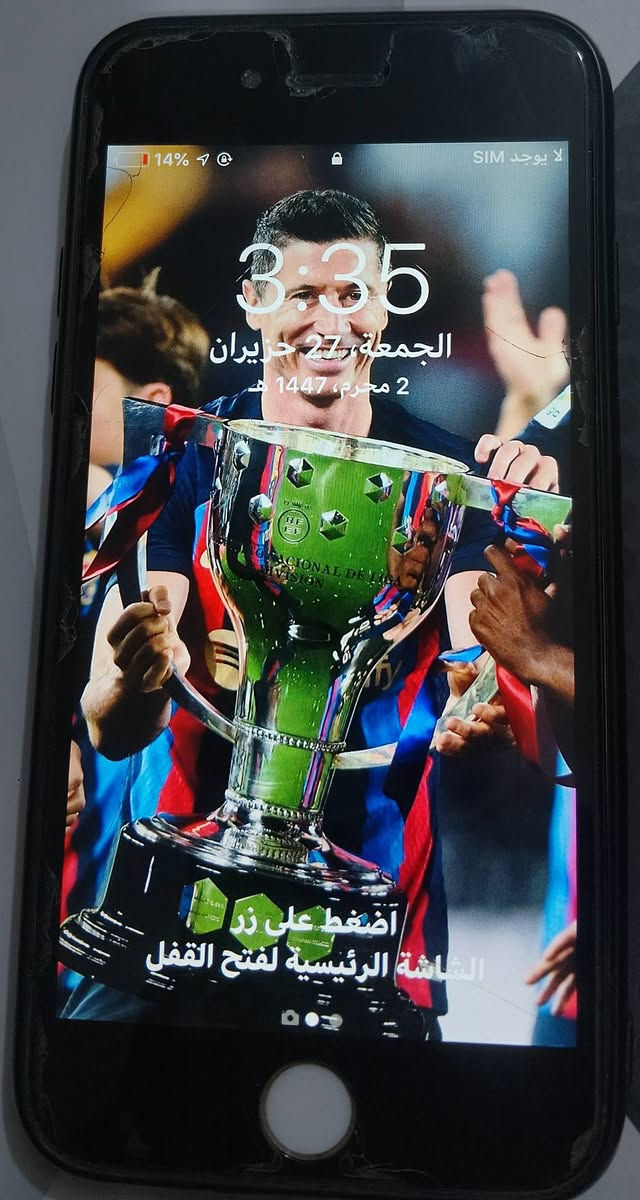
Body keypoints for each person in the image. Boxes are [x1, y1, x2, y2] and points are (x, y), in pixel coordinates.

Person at [76, 189, 561, 1031]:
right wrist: (138, 672)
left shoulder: (446, 476)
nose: (328, 322)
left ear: (385, 305)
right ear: (254, 301)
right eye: (302, 294)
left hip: (371, 929)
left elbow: (482, 662)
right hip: (180, 915)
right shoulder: (186, 457)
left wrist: (483, 694)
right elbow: (111, 724)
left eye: (350, 294)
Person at [61, 274, 210, 990]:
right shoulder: (78, 504)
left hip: (142, 821)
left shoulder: (190, 524)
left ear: (151, 403)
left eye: (87, 388)